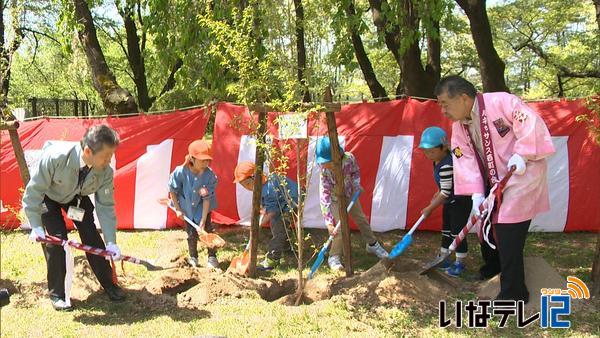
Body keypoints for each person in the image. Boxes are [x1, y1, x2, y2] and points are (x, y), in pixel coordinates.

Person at [435, 75, 555, 303]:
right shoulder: (459, 127)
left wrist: (523, 153)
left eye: (445, 104)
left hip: (522, 173)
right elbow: (463, 158)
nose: (443, 110)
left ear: (463, 98)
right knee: (485, 222)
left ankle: (514, 292)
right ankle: (494, 268)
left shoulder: (502, 102)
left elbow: (530, 123)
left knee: (508, 225)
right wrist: (476, 193)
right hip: (493, 182)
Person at [23, 125, 125, 311]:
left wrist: (111, 241)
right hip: (49, 197)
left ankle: (109, 283)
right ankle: (57, 294)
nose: (108, 161)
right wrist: (36, 225)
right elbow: (34, 192)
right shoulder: (55, 158)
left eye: (111, 156)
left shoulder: (105, 172)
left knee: (91, 235)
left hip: (75, 201)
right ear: (88, 151)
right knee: (57, 240)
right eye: (105, 157)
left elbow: (106, 207)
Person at [316, 137, 388, 271]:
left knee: (361, 219)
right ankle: (334, 255)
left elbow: (355, 172)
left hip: (349, 194)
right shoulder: (324, 171)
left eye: (328, 162)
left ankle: (372, 244)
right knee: (339, 227)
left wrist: (356, 185)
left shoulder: (349, 159)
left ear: (338, 155)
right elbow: (324, 195)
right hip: (334, 199)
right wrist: (328, 222)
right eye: (323, 162)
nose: (325, 165)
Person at [419, 126, 472, 277]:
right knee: (446, 230)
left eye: (432, 151)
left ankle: (460, 262)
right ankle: (444, 257)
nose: (428, 155)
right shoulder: (438, 160)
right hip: (450, 201)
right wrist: (437, 193)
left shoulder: (447, 164)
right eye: (426, 151)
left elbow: (446, 192)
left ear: (444, 148)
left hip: (460, 201)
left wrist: (430, 207)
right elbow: (445, 186)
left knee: (457, 232)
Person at [233, 161, 298, 270]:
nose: (246, 188)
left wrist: (258, 224)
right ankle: (286, 248)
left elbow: (272, 211)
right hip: (282, 202)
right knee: (280, 226)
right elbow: (268, 206)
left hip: (291, 203)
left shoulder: (268, 189)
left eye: (246, 184)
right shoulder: (263, 183)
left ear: (254, 178)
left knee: (278, 228)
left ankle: (272, 259)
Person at [169, 140, 219, 269]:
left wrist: (203, 219)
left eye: (207, 160)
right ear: (192, 158)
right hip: (187, 209)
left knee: (208, 231)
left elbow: (207, 199)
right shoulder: (180, 172)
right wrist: (178, 209)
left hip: (202, 209)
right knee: (191, 234)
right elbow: (173, 191)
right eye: (202, 160)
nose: (205, 163)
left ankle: (212, 257)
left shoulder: (209, 176)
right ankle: (193, 257)